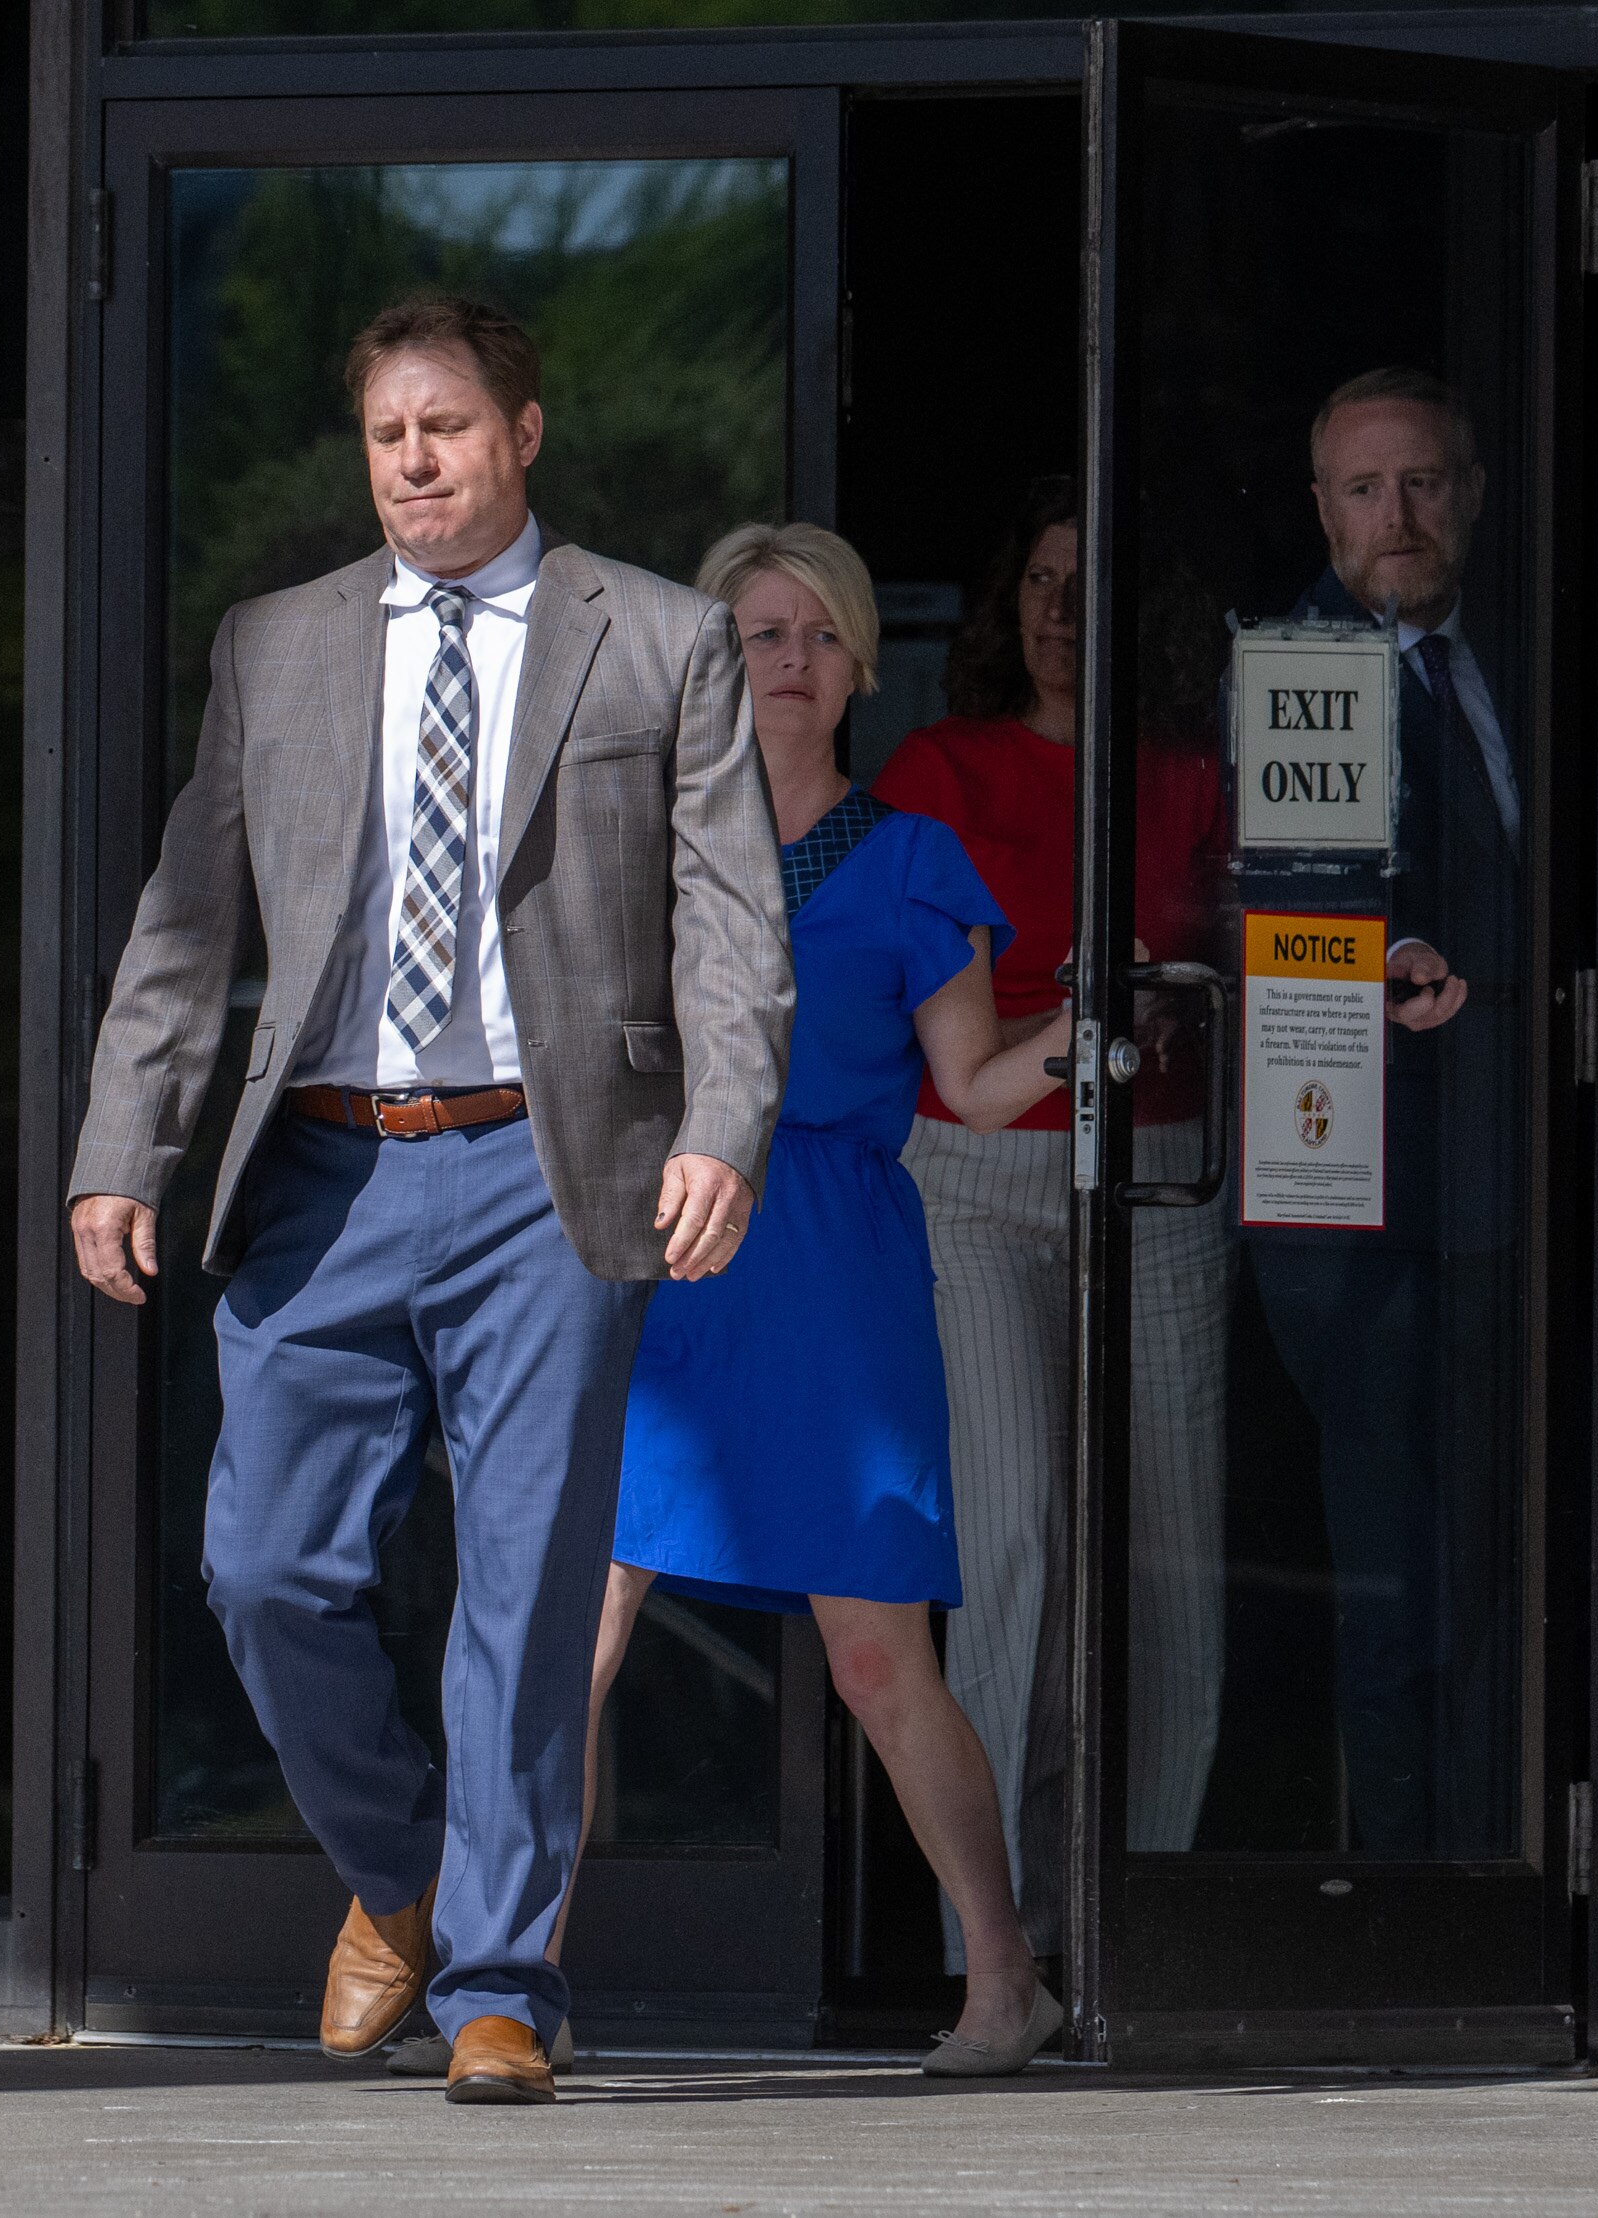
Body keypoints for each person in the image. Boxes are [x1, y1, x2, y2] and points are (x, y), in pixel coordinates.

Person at [66, 293, 792, 2104]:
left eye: (446, 429)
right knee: (264, 1570)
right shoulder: (278, 643)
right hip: (323, 1168)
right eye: (387, 435)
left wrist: (723, 1124)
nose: (412, 463)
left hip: (548, 1170)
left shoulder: (661, 636)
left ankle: (497, 1982)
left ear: (522, 434)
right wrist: (123, 1144)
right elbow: (187, 920)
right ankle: (397, 1870)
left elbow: (730, 920)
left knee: (527, 1590)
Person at [579, 522, 1073, 2073]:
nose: (787, 663)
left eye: (818, 635)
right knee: (574, 1634)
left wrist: (1106, 1028)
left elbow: (973, 1084)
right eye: (757, 635)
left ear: (862, 664)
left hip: (835, 1274)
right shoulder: (641, 845)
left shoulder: (914, 858)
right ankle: (499, 1985)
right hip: (662, 1256)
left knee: (877, 1658)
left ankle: (1005, 1977)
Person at [870, 479, 1232, 1967]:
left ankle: (1138, 1926)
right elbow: (896, 977)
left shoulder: (1197, 777)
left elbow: (1270, 955)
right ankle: (996, 1944)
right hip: (976, 1173)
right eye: (1037, 579)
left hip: (1160, 1171)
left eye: (1089, 582)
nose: (1060, 610)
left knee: (1168, 1555)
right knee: (1012, 1537)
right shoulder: (941, 765)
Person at [1242, 366, 1527, 1856]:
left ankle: (1505, 1863)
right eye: (1364, 489)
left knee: (1509, 1557)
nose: (1396, 515)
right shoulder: (1295, 666)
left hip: (1523, 1178)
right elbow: (1280, 887)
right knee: (1395, 1574)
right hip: (1356, 1211)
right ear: (1322, 510)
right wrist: (1383, 951)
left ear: (1470, 494)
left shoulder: (1537, 659)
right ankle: (1417, 1897)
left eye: (1421, 482)